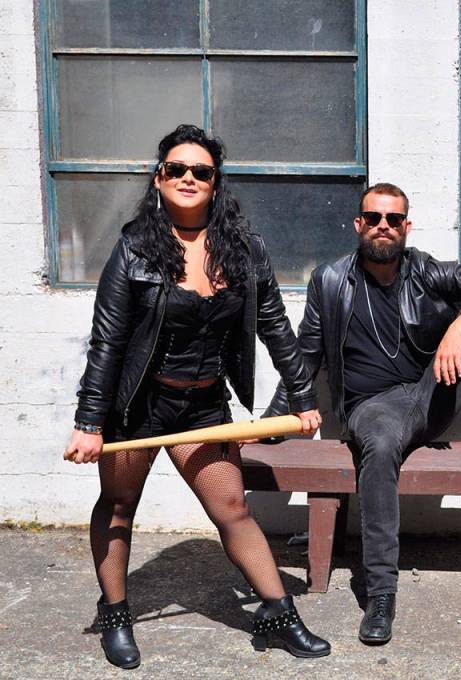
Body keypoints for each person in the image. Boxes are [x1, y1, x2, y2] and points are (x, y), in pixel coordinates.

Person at [63, 124, 331, 668]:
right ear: (159, 178)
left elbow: (276, 328)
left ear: (215, 182)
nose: (189, 178)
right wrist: (89, 423)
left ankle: (278, 614)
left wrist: (303, 397)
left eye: (201, 171)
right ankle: (115, 613)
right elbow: (107, 341)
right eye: (177, 169)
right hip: (137, 406)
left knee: (233, 508)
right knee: (119, 506)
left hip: (204, 405)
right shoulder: (134, 251)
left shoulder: (245, 250)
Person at [264, 182, 461, 645]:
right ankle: (381, 593)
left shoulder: (425, 270)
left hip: (432, 393)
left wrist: (457, 329)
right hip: (373, 407)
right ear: (359, 224)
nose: (383, 226)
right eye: (374, 218)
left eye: (393, 219)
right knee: (378, 447)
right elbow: (306, 353)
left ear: (406, 227)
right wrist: (273, 420)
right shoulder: (329, 280)